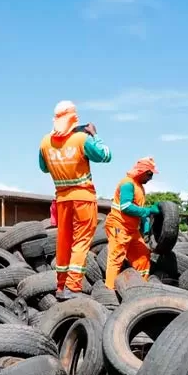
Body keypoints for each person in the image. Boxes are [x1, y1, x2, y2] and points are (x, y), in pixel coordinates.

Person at [39, 100, 112, 299]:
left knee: (63, 242)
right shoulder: (82, 139)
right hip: (83, 198)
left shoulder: (45, 142)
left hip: (61, 200)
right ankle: (73, 286)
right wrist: (95, 135)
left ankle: (61, 286)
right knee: (80, 242)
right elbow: (106, 156)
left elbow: (44, 168)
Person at [104, 157, 161, 289]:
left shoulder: (139, 187)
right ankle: (109, 293)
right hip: (119, 226)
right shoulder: (127, 184)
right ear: (142, 172)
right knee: (116, 258)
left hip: (132, 229)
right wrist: (148, 211)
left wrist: (146, 226)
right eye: (150, 174)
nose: (151, 178)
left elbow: (138, 209)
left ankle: (140, 287)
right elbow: (126, 207)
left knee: (143, 254)